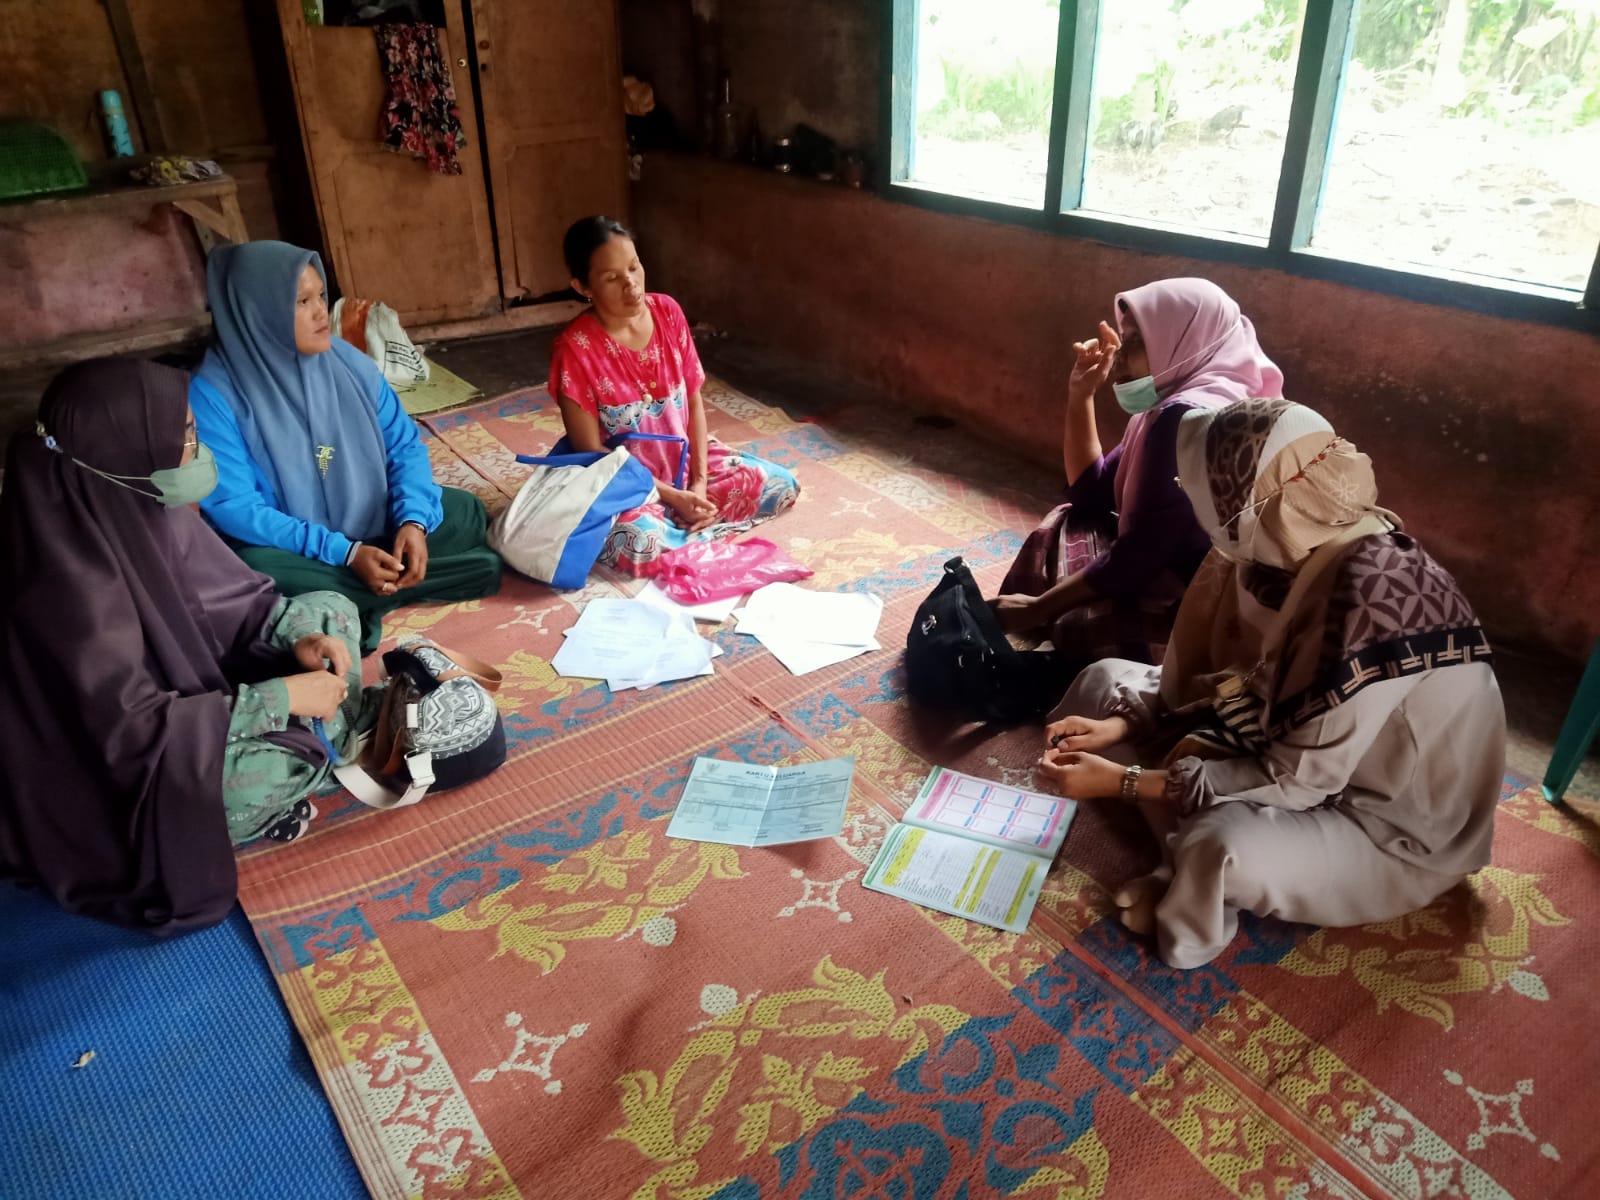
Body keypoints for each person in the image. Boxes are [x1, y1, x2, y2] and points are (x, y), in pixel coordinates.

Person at [1036, 398, 1503, 969]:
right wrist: (1119, 723)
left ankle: (1189, 890)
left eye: (1201, 489)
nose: (1194, 500)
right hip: (1273, 736)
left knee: (1221, 844)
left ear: (1239, 499)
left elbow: (1297, 781)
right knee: (1102, 680)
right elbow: (1197, 680)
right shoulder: (1262, 538)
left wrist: (1127, 783)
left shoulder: (1370, 603)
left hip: (1383, 826)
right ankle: (1173, 857)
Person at [0, 359, 377, 932]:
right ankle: (326, 739)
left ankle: (324, 731)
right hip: (115, 781)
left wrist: (299, 638)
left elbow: (236, 603)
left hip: (196, 699)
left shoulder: (137, 498)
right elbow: (129, 736)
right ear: (127, 450)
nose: (198, 451)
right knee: (244, 781)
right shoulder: (64, 586)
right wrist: (278, 699)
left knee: (332, 608)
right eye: (186, 436)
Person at [189, 240, 501, 654]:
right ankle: (385, 586)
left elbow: (404, 446)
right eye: (302, 301)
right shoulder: (212, 394)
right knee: (254, 570)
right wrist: (345, 552)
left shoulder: (348, 363)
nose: (322, 312)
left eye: (321, 295)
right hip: (295, 545)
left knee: (465, 513)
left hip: (370, 522)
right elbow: (238, 508)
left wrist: (412, 523)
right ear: (256, 312)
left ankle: (345, 602)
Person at [992, 277, 1283, 680]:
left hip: (1203, 604)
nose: (1120, 359)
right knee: (1068, 521)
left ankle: (1163, 664)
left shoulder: (1188, 418)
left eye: (1135, 343)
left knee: (1079, 630)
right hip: (1187, 570)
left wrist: (1038, 609)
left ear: (1184, 341)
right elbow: (1092, 493)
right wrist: (1081, 396)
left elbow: (1139, 557)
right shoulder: (1207, 394)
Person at [547, 216, 800, 575]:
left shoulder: (667, 312)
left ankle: (688, 525)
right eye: (611, 278)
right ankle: (685, 523)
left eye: (634, 267)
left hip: (683, 461)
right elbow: (593, 454)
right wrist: (672, 496)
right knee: (639, 543)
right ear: (582, 286)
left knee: (780, 485)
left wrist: (697, 483)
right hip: (625, 483)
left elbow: (693, 401)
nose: (631, 285)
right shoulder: (575, 348)